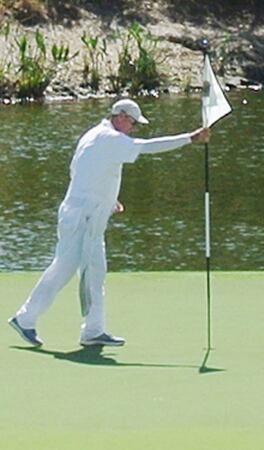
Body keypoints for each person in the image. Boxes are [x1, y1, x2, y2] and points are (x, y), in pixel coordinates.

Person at [8, 99, 210, 347]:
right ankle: (27, 318)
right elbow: (147, 147)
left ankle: (91, 330)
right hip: (83, 216)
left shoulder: (94, 135)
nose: (133, 128)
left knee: (93, 271)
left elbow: (81, 170)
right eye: (133, 123)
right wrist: (190, 138)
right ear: (121, 117)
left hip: (86, 213)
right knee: (66, 269)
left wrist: (109, 200)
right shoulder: (110, 138)